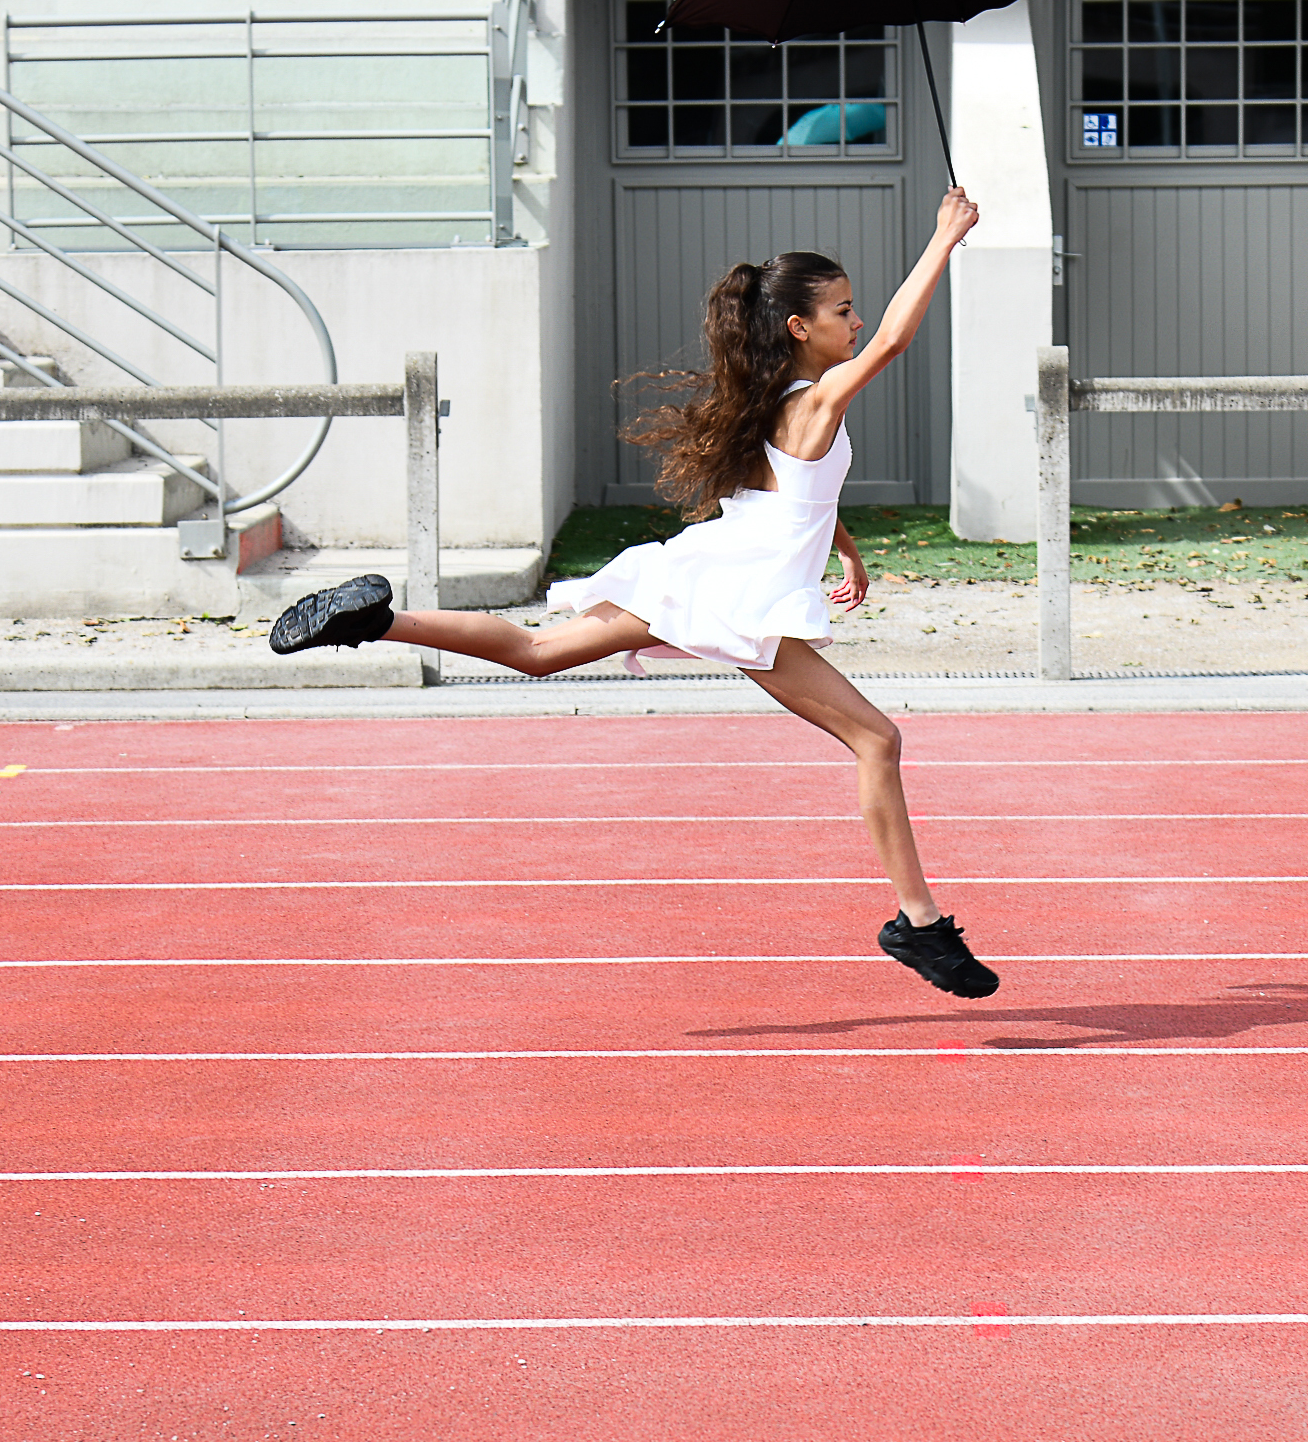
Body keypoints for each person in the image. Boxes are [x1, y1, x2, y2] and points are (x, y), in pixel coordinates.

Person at [267, 186, 998, 1000]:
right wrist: (945, 237)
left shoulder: (771, 402)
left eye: (855, 310)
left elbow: (795, 497)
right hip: (738, 599)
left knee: (539, 651)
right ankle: (919, 923)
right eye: (842, 310)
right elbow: (897, 341)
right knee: (878, 743)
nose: (856, 322)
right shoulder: (816, 400)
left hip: (702, 571)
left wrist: (847, 550)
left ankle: (380, 620)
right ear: (801, 328)